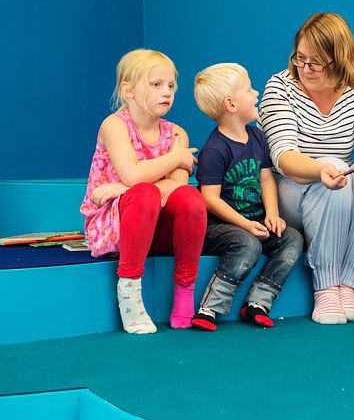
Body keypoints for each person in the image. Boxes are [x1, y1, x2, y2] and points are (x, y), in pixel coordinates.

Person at [258, 13, 354, 325]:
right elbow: (284, 156)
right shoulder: (280, 87)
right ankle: (326, 287)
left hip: (335, 186)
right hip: (291, 189)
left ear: (338, 60)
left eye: (315, 62)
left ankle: (349, 285)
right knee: (337, 167)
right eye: (299, 58)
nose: (305, 68)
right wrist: (321, 170)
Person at [80, 49, 206, 334]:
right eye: (156, 84)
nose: (167, 92)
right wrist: (176, 158)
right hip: (116, 226)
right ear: (128, 90)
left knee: (190, 199)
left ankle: (185, 291)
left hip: (157, 229)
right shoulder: (115, 126)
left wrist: (123, 187)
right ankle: (130, 292)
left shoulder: (177, 133)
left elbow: (177, 186)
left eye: (171, 85)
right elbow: (134, 175)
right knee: (145, 194)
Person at [190, 64, 304, 331]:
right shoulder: (215, 150)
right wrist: (244, 224)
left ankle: (258, 302)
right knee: (247, 244)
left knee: (292, 238)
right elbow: (210, 199)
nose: (256, 93)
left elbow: (266, 178)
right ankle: (210, 307)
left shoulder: (257, 137)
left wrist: (272, 214)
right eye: (249, 89)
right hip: (220, 227)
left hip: (255, 222)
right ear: (230, 104)